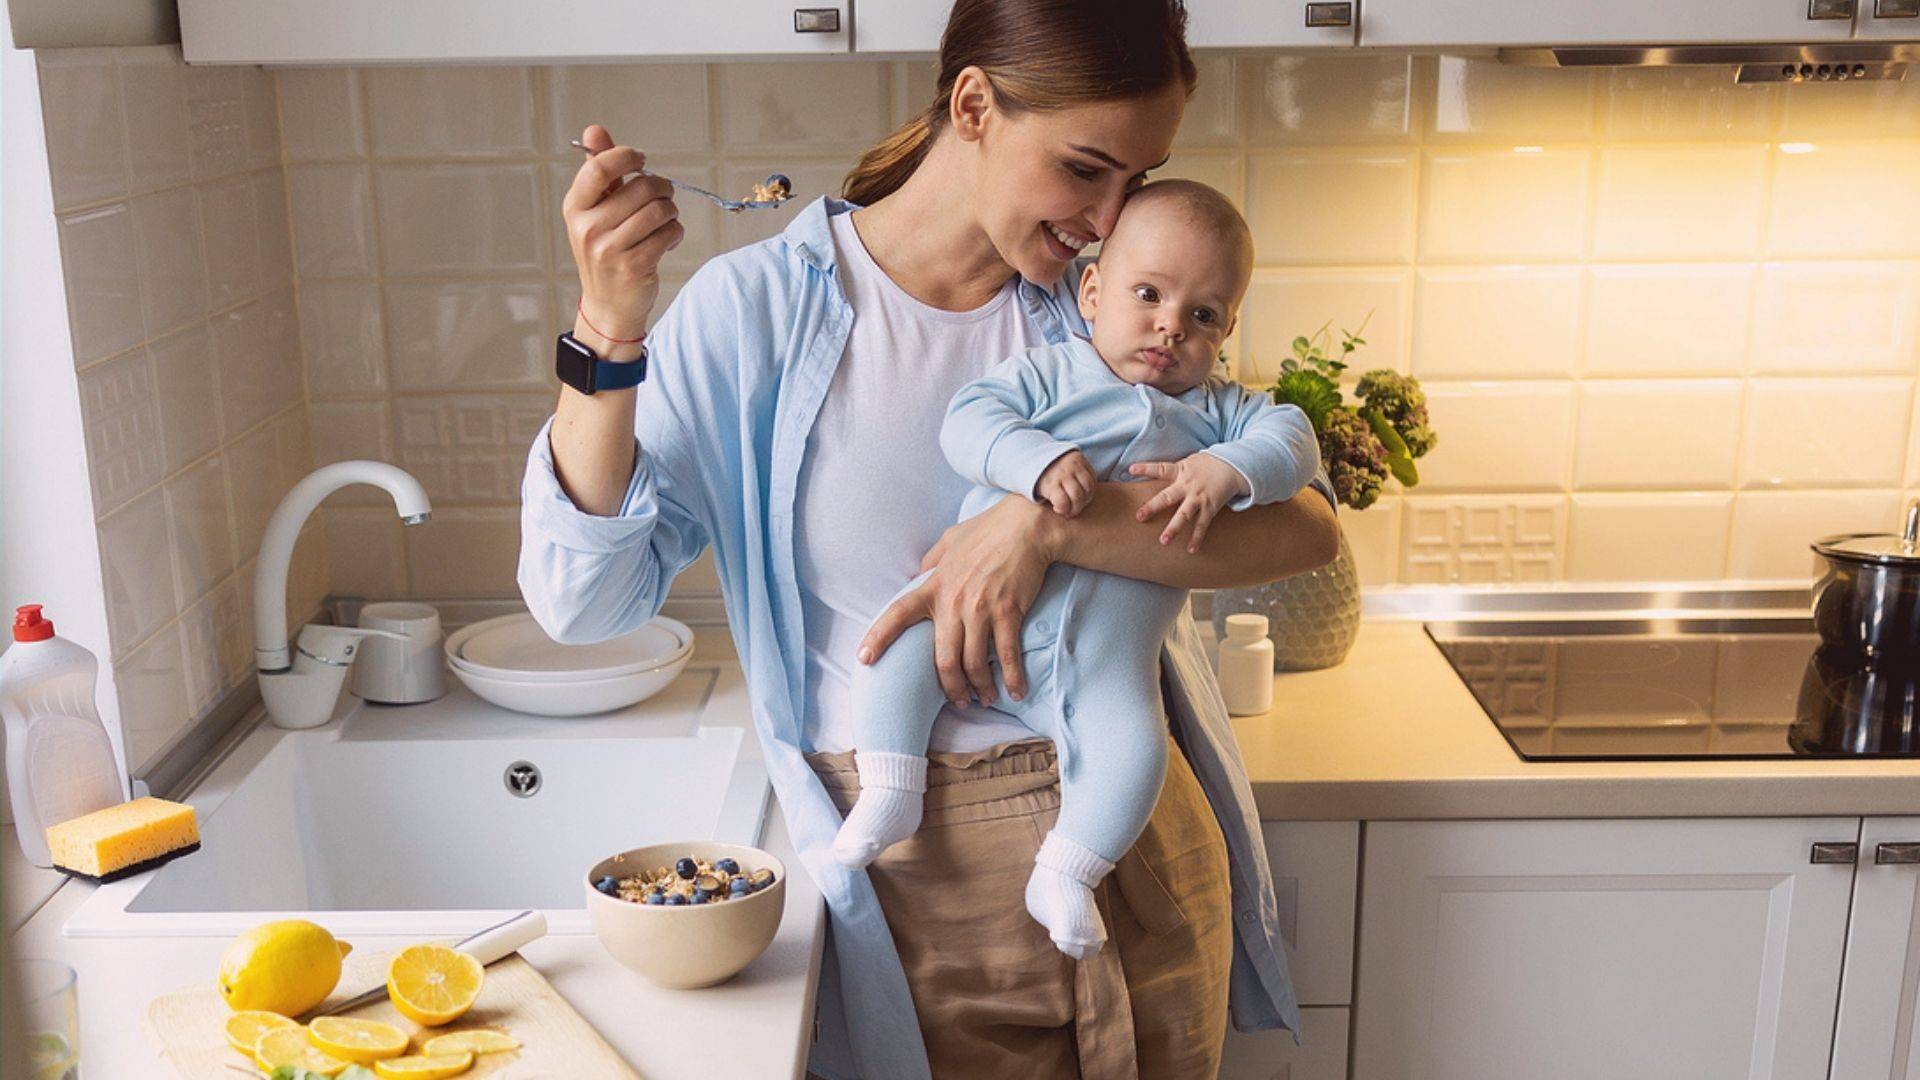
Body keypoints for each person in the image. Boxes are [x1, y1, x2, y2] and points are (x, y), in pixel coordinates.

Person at [518, 0, 1341, 1074]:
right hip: (919, 884)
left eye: (1137, 178)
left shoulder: (1111, 308)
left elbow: (1305, 532)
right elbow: (585, 603)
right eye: (1085, 169)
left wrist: (1042, 529)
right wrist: (608, 331)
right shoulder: (758, 312)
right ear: (973, 106)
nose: (1110, 216)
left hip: (1137, 845)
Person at [831, 180, 1322, 966]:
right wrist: (1034, 460)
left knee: (1135, 754)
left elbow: (1295, 441)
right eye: (1148, 294)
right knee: (892, 654)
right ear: (1092, 293)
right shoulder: (1050, 374)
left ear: (1227, 330)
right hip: (980, 627)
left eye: (1203, 315)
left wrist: (1228, 471)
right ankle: (891, 789)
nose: (1171, 325)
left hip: (1105, 672)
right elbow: (970, 420)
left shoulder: (1222, 413)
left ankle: (1066, 873)